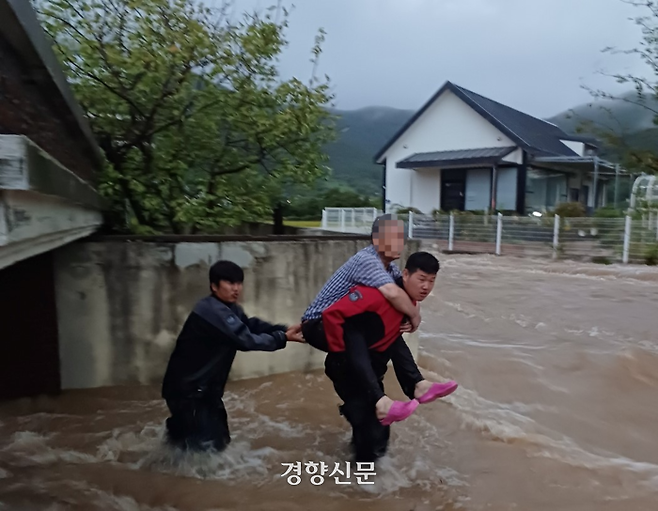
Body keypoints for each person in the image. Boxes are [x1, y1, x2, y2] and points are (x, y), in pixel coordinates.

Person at [301, 215, 454, 426]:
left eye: (401, 238)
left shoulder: (390, 269)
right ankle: (381, 401)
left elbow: (402, 293)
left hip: (340, 325)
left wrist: (409, 314)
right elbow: (392, 293)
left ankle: (416, 384)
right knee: (353, 329)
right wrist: (415, 316)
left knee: (390, 332)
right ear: (376, 240)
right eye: (392, 237)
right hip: (319, 325)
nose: (398, 243)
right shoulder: (367, 260)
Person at [161, 260, 305, 453]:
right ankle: (180, 475)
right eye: (230, 283)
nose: (236, 288)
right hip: (189, 392)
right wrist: (282, 338)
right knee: (206, 447)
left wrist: (283, 329)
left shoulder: (229, 309)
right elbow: (245, 340)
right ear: (214, 286)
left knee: (216, 441)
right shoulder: (211, 311)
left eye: (238, 283)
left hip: (203, 390)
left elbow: (249, 325)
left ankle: (167, 460)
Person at [323, 252, 453, 462]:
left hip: (371, 372)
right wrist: (337, 348)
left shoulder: (406, 303)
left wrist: (413, 315)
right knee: (370, 426)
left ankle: (366, 473)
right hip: (349, 368)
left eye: (431, 281)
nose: (426, 287)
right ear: (406, 274)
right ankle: (362, 484)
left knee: (376, 429)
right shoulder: (378, 295)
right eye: (421, 279)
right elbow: (334, 316)